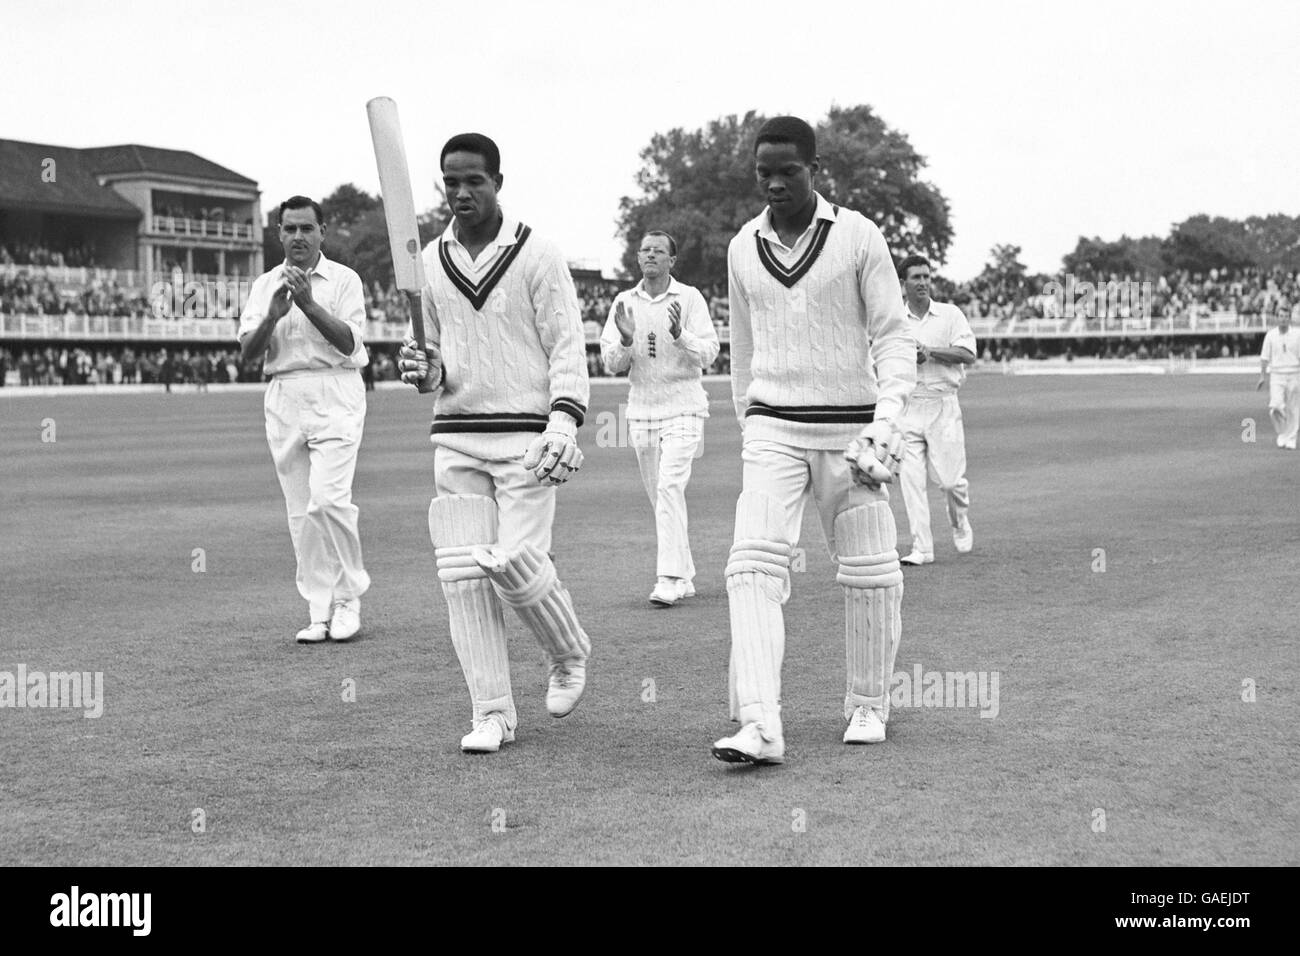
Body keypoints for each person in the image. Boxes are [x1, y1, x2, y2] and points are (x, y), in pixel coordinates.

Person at [711, 116, 916, 765]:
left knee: (870, 572)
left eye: (787, 171)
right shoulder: (742, 246)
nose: (774, 182)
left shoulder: (858, 235)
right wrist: (751, 422)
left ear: (815, 170)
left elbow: (891, 332)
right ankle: (760, 721)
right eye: (763, 172)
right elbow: (741, 353)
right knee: (751, 565)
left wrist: (888, 417)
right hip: (773, 426)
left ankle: (867, 700)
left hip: (853, 427)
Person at [398, 133, 592, 755]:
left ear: (497, 181)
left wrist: (564, 423)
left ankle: (567, 652)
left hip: (528, 439)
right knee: (463, 581)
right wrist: (421, 371)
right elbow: (436, 363)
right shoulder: (427, 262)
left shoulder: (538, 254)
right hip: (457, 435)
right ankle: (491, 712)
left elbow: (567, 346)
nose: (460, 193)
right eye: (450, 182)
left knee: (516, 569)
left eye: (472, 181)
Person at [237, 195, 371, 644]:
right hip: (284, 395)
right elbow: (249, 353)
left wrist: (309, 304)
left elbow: (350, 343)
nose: (298, 237)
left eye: (306, 229)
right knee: (301, 513)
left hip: (336, 390)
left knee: (328, 500)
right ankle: (319, 608)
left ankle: (348, 598)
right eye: (289, 229)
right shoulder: (263, 286)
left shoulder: (344, 280)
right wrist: (274, 314)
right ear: (278, 233)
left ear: (322, 233)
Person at [600, 231, 719, 606]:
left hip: (684, 407)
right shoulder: (623, 301)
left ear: (672, 260)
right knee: (660, 497)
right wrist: (624, 340)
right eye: (645, 251)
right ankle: (684, 574)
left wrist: (680, 335)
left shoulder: (690, 298)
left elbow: (710, 353)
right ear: (638, 259)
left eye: (659, 251)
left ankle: (668, 578)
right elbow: (612, 364)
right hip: (641, 411)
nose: (650, 256)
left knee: (669, 487)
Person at [896, 255, 977, 565]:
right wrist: (907, 358)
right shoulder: (894, 321)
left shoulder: (949, 315)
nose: (923, 282)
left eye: (927, 276)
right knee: (911, 481)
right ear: (903, 284)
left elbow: (967, 354)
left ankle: (959, 522)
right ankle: (922, 548)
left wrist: (929, 352)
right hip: (909, 405)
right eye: (916, 277)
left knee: (950, 481)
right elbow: (882, 359)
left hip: (943, 404)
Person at [1257, 302, 1300, 449]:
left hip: (1294, 373)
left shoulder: (1297, 334)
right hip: (1276, 374)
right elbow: (1264, 357)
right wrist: (1262, 375)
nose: (1283, 319)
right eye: (1281, 316)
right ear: (1277, 318)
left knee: (1293, 408)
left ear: (1289, 318)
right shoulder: (1270, 335)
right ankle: (1283, 433)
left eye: (1286, 316)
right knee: (1275, 406)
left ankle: (1291, 438)